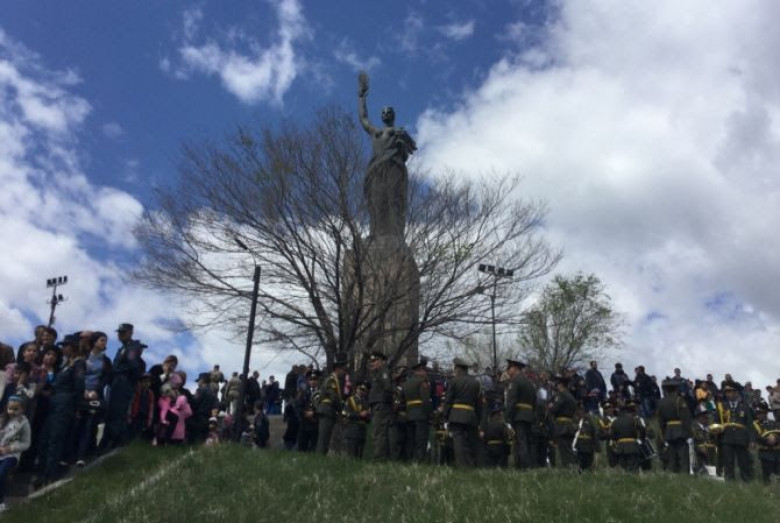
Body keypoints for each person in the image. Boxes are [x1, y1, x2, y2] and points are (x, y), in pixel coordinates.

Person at [357, 71, 416, 237]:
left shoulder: (399, 132)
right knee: (376, 202)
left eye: (388, 112)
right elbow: (363, 119)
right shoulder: (376, 132)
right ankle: (375, 233)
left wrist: (403, 140)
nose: (385, 114)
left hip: (393, 169)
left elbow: (410, 150)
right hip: (376, 169)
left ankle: (396, 234)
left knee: (393, 201)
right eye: (383, 112)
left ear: (393, 115)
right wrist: (361, 98)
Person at [38, 334, 85, 485]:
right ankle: (42, 472)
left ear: (73, 347)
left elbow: (79, 387)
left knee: (55, 439)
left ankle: (49, 475)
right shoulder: (65, 364)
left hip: (64, 405)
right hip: (54, 404)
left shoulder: (78, 364)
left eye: (66, 345)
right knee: (45, 438)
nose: (64, 348)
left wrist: (76, 408)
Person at [100, 323, 146, 452]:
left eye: (123, 332)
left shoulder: (133, 347)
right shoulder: (122, 349)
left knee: (118, 413)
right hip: (116, 382)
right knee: (111, 413)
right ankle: (107, 442)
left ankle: (114, 443)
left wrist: (128, 381)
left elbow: (133, 366)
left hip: (123, 382)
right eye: (119, 332)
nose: (120, 335)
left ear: (130, 333)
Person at [73, 332, 111, 466]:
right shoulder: (83, 356)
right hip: (79, 393)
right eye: (102, 340)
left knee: (89, 424)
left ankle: (81, 455)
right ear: (94, 341)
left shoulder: (106, 361)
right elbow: (77, 374)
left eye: (105, 341)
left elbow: (106, 378)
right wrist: (82, 390)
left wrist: (96, 391)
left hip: (95, 395)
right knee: (76, 423)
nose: (104, 343)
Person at [441, 357, 482, 467]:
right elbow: (478, 404)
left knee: (458, 441)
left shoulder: (453, 381)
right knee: (472, 441)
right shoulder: (476, 383)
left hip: (456, 415)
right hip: (471, 415)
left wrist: (445, 416)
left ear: (458, 369)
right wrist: (479, 419)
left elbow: (448, 400)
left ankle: (462, 464)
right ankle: (474, 463)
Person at [715, 384, 753, 481]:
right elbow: (716, 422)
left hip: (741, 438)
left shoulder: (744, 406)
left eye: (730, 391)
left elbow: (749, 424)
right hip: (726, 437)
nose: (728, 394)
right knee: (728, 463)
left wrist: (751, 440)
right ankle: (729, 483)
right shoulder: (722, 406)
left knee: (744, 462)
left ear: (736, 393)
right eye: (726, 392)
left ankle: (747, 482)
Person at [0, 396, 31, 512]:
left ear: (22, 409)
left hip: (11, 455)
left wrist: (10, 448)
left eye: (15, 409)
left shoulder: (24, 423)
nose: (12, 412)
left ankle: (1, 502)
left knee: (1, 473)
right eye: (10, 409)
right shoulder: (3, 419)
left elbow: (26, 443)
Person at [504, 358, 536, 469]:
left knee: (520, 441)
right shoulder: (530, 383)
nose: (508, 370)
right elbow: (534, 402)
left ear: (515, 368)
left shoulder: (515, 382)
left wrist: (507, 417)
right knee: (527, 441)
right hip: (529, 415)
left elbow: (511, 401)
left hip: (518, 415)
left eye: (509, 368)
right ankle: (529, 464)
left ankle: (523, 466)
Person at [656, 379, 693, 474]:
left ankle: (671, 473)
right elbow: (686, 417)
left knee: (671, 455)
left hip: (669, 431)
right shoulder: (679, 400)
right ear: (676, 389)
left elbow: (660, 421)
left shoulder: (661, 402)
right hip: (680, 430)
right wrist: (689, 433)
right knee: (683, 455)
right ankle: (684, 474)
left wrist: (663, 433)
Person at [316, 357, 348, 455]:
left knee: (326, 437)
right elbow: (333, 396)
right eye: (343, 369)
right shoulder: (331, 380)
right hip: (327, 409)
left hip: (329, 410)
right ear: (337, 369)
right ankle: (320, 456)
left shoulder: (335, 380)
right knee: (324, 437)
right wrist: (341, 409)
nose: (344, 372)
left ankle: (322, 455)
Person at [402, 358, 432, 462]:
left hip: (409, 414)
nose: (426, 373)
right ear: (420, 370)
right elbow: (425, 400)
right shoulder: (422, 382)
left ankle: (410, 459)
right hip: (421, 414)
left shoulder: (406, 383)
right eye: (424, 370)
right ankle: (419, 461)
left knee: (410, 439)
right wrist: (429, 414)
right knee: (421, 439)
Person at [367, 351, 393, 461]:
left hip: (381, 405)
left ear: (381, 361)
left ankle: (379, 458)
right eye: (371, 361)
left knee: (379, 432)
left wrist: (384, 403)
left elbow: (387, 388)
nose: (372, 363)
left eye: (374, 361)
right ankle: (381, 456)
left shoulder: (384, 372)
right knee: (378, 431)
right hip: (377, 404)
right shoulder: (376, 374)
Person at [549, 375, 577, 468]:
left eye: (557, 384)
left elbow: (555, 408)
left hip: (562, 425)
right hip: (569, 424)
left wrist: (550, 408)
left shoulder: (561, 395)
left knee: (563, 447)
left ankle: (569, 464)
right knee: (568, 446)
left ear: (561, 385)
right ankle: (573, 463)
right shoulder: (571, 396)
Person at [609, 401, 645, 472]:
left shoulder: (615, 422)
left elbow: (612, 436)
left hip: (620, 447)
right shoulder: (633, 420)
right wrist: (641, 438)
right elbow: (642, 429)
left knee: (623, 467)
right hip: (632, 446)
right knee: (633, 467)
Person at [342, 381, 371, 459]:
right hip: (352, 429)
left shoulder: (366, 402)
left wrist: (367, 415)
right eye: (360, 389)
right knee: (352, 454)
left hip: (362, 430)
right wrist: (359, 414)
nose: (361, 391)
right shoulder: (350, 400)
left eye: (363, 390)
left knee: (360, 455)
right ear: (356, 389)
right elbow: (345, 413)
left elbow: (369, 419)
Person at [752, 402, 779, 483]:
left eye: (761, 413)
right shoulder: (754, 424)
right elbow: (755, 436)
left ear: (766, 413)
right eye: (758, 413)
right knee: (767, 477)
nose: (759, 415)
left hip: (777, 453)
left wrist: (775, 439)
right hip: (765, 453)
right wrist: (767, 440)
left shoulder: (774, 423)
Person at [296, 370, 320, 452]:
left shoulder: (322, 393)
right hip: (304, 422)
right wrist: (304, 413)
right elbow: (298, 405)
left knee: (315, 447)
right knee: (302, 448)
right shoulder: (303, 392)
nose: (312, 382)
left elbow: (323, 406)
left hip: (316, 423)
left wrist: (314, 413)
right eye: (311, 379)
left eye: (315, 379)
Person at [572, 403, 599, 472]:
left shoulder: (589, 420)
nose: (580, 411)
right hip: (578, 447)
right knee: (578, 466)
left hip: (588, 447)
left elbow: (594, 433)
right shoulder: (574, 421)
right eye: (578, 410)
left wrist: (597, 447)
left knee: (588, 465)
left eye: (581, 410)